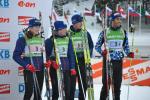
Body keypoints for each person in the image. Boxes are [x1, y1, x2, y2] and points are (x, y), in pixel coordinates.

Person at [95, 12, 134, 100]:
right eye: (117, 19)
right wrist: (102, 52)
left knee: (117, 86)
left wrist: (129, 53)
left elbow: (126, 46)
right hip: (108, 61)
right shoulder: (105, 32)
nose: (120, 21)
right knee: (106, 86)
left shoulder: (123, 32)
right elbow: (97, 46)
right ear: (112, 20)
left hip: (118, 62)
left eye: (120, 19)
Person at [13, 18, 44, 100]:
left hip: (40, 69)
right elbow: (15, 56)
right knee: (29, 92)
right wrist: (27, 65)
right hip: (29, 69)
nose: (37, 28)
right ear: (30, 27)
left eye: (38, 26)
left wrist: (45, 62)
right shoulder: (22, 39)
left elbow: (41, 53)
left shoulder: (40, 38)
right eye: (35, 26)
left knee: (38, 93)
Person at [45, 21, 76, 100]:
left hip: (66, 68)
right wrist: (51, 62)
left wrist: (72, 67)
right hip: (55, 68)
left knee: (67, 90)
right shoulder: (50, 41)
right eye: (63, 29)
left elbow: (71, 54)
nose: (65, 30)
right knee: (56, 91)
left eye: (65, 28)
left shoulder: (68, 40)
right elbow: (46, 55)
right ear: (58, 30)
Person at [69, 14, 94, 100]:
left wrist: (88, 54)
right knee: (71, 84)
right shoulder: (68, 33)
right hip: (72, 61)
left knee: (83, 83)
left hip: (83, 60)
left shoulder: (85, 33)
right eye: (80, 22)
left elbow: (91, 45)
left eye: (82, 22)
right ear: (74, 23)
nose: (81, 24)